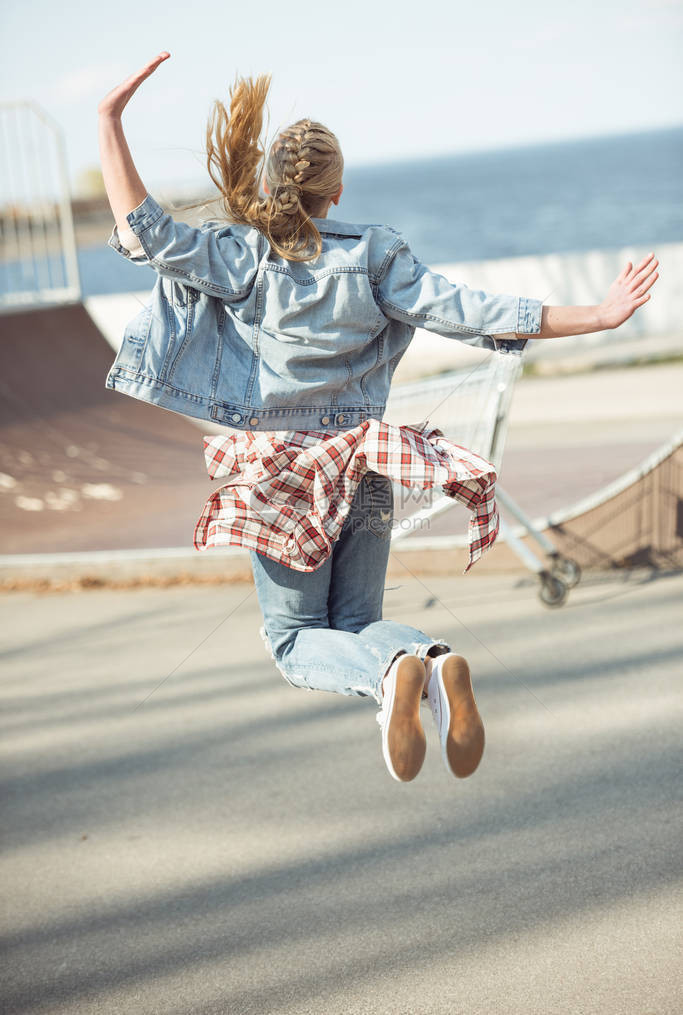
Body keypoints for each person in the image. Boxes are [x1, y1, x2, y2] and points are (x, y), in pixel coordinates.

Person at [98, 52, 660, 783]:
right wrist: (598, 314)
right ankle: (430, 657)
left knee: (296, 639)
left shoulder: (242, 255)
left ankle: (396, 670)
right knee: (359, 623)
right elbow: (470, 312)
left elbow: (143, 229)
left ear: (269, 186)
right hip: (364, 463)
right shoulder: (374, 254)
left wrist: (109, 121)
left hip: (284, 473)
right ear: (334, 194)